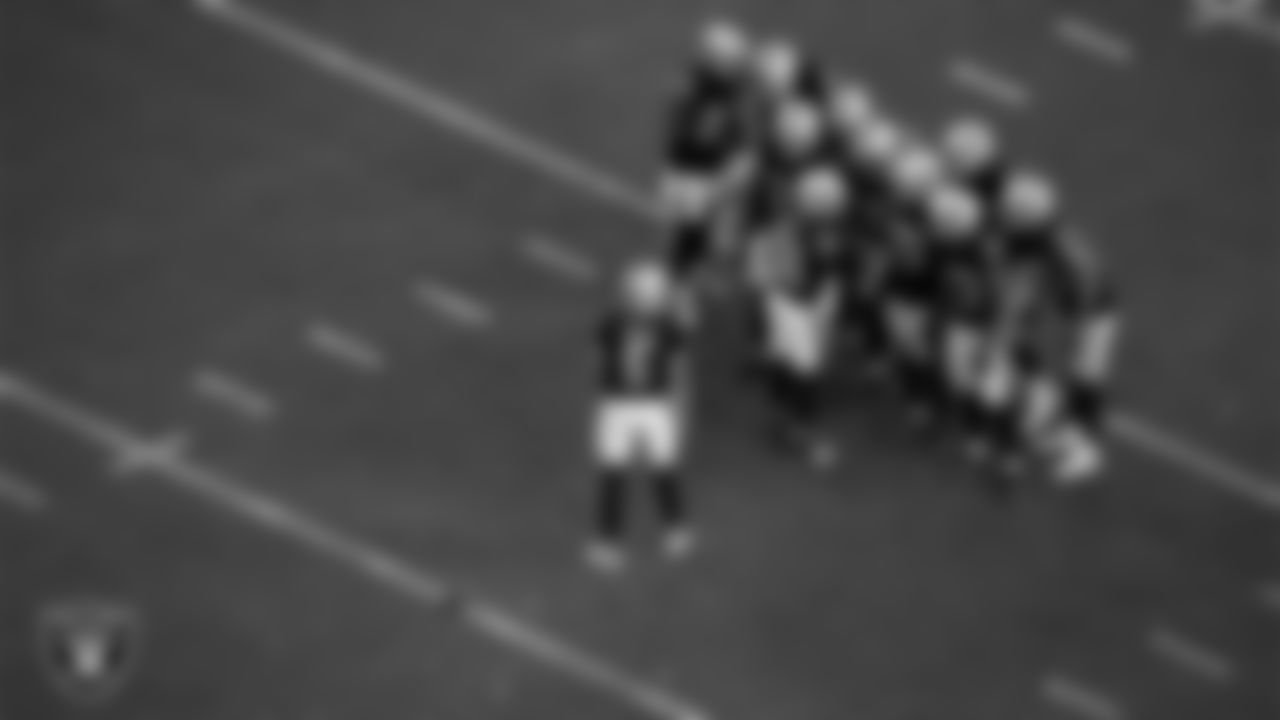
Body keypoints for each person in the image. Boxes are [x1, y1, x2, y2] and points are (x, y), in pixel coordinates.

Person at [998, 172, 1122, 485]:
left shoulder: (1063, 253)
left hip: (1093, 314)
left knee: (1086, 377)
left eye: (1012, 212)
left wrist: (1065, 331)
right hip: (1071, 307)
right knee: (1075, 374)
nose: (1006, 217)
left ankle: (1087, 451)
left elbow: (1086, 295)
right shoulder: (1040, 238)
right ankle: (1074, 430)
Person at [588, 261, 696, 573]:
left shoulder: (659, 327)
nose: (646, 302)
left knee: (660, 469)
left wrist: (678, 411)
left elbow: (678, 371)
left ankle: (672, 528)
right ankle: (613, 539)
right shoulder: (618, 325)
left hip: (645, 405)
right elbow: (599, 360)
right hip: (626, 404)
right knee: (615, 473)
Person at [744, 167, 848, 469]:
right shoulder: (790, 231)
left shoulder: (808, 227)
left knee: (788, 360)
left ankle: (781, 416)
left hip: (809, 300)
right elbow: (787, 278)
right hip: (795, 306)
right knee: (805, 369)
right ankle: (803, 432)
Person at [661, 19, 758, 283]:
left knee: (698, 244)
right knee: (701, 246)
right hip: (699, 185)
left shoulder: (698, 91)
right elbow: (707, 143)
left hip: (696, 181)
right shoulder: (707, 104)